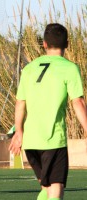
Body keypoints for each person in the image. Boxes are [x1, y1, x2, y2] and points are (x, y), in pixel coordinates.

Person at [9, 23, 87, 200]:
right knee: (56, 188)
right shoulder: (70, 68)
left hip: (30, 142)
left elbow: (20, 102)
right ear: (67, 44)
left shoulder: (29, 69)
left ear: (44, 44)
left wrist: (19, 132)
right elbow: (78, 103)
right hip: (53, 140)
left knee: (47, 188)